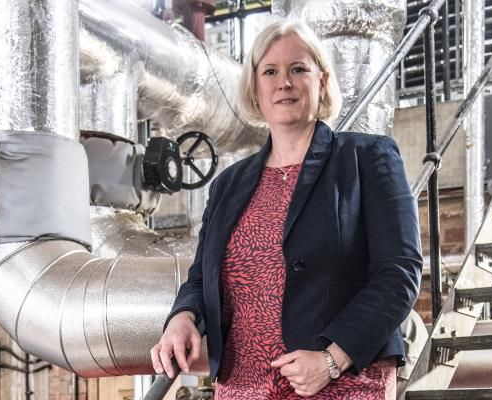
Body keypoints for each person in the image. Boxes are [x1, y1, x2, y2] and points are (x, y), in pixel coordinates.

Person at [151, 19, 422, 399]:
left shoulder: (366, 158)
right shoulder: (228, 185)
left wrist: (332, 359)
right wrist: (182, 317)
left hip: (340, 380)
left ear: (322, 81)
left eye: (298, 69)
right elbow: (200, 278)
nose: (284, 82)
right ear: (255, 88)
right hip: (244, 383)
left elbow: (400, 272)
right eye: (270, 71)